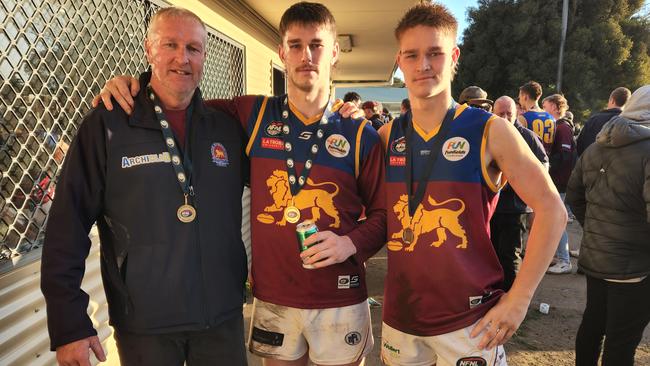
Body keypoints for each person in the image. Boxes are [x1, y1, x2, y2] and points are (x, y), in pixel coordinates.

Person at [94, 3, 386, 365]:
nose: (306, 56)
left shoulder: (360, 134)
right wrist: (133, 85)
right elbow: (176, 97)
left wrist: (349, 243)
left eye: (317, 45)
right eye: (295, 45)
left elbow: (384, 216)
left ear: (335, 52)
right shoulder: (252, 114)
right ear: (281, 52)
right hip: (275, 298)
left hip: (340, 298)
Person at [41, 7, 249, 366]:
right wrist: (69, 323)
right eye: (170, 44)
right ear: (148, 50)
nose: (182, 58)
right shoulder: (107, 126)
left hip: (222, 319)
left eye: (193, 48)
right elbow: (66, 226)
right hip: (145, 325)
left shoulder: (226, 128)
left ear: (204, 56)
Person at [378, 4, 566, 365]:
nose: (424, 66)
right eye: (413, 55)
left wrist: (519, 298)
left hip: (470, 322)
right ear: (399, 60)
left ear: (454, 56)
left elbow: (552, 209)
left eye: (435, 53)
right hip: (401, 319)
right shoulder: (387, 136)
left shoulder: (491, 130)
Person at [566, 85, 650, 366]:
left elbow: (574, 195)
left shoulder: (597, 145)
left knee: (592, 326)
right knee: (621, 340)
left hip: (597, 256)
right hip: (635, 265)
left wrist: (595, 229)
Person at [489, 96, 548, 291]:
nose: (505, 118)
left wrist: (528, 188)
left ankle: (511, 297)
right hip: (490, 208)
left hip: (515, 208)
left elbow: (544, 165)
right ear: (493, 113)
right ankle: (492, 295)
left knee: (510, 255)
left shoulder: (528, 137)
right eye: (500, 114)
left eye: (509, 114)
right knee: (490, 253)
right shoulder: (487, 135)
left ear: (517, 114)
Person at [542, 94, 576, 274]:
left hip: (559, 183)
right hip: (558, 181)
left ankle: (564, 260)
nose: (542, 110)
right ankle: (557, 257)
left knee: (557, 221)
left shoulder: (562, 128)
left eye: (545, 106)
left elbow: (564, 156)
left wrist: (544, 164)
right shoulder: (559, 126)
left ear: (555, 107)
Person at [576, 86, 631, 155]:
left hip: (592, 162)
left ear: (612, 100)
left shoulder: (594, 120)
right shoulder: (630, 122)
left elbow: (580, 145)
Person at [517, 80, 555, 154]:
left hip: (530, 160)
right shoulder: (551, 118)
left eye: (519, 98)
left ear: (525, 97)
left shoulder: (523, 118)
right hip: (547, 160)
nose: (519, 101)